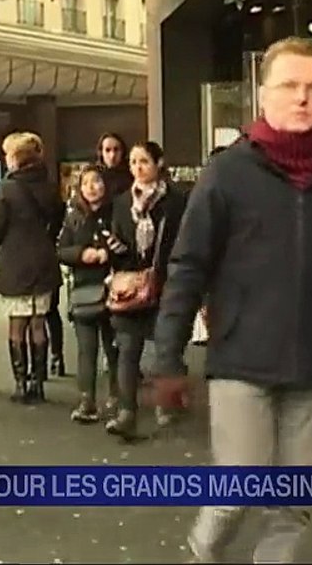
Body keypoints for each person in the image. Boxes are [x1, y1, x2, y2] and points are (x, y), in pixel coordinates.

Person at [150, 37, 312, 563]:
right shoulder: (229, 172)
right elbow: (188, 268)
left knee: (292, 505)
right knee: (239, 485)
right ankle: (202, 552)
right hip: (241, 361)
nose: (302, 98)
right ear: (263, 96)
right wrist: (167, 359)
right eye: (290, 86)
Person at [105, 141, 186, 439]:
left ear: (158, 164)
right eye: (134, 163)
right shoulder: (122, 201)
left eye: (144, 162)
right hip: (131, 285)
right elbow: (115, 240)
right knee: (128, 348)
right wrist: (115, 251)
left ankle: (165, 403)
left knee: (164, 349)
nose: (138, 168)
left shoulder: (176, 202)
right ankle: (127, 411)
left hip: (165, 284)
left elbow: (183, 243)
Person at [0, 132, 65, 404]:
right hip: (43, 259)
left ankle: (21, 384)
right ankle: (39, 382)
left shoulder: (7, 187)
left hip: (15, 261)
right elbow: (59, 217)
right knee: (38, 322)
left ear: (17, 159)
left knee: (17, 325)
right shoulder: (49, 185)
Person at [57, 164, 119, 423]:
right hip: (84, 288)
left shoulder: (117, 212)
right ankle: (87, 400)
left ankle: (118, 397)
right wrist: (82, 254)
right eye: (87, 184)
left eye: (97, 182)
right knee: (86, 348)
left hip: (114, 289)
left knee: (114, 347)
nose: (92, 188)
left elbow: (128, 245)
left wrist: (109, 252)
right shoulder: (73, 217)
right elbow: (61, 250)